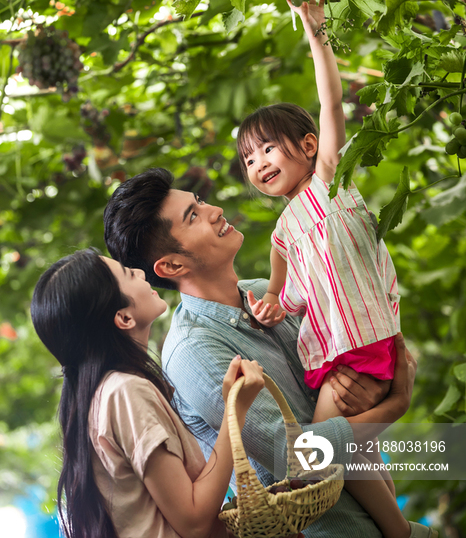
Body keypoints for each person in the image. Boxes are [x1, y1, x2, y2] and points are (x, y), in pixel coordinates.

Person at [103, 167, 419, 538]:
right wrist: (394, 407)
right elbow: (297, 458)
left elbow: (347, 363)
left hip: (379, 513)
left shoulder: (266, 292)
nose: (215, 210)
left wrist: (372, 393)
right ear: (172, 265)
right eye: (193, 216)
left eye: (199, 202)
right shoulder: (192, 350)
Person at [235, 0, 437, 538]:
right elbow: (277, 297)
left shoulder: (328, 183)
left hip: (362, 344)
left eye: (268, 150)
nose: (259, 164)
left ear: (307, 146)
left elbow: (330, 102)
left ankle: (396, 530)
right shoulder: (282, 231)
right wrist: (268, 305)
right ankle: (402, 528)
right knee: (352, 448)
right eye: (249, 160)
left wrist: (315, 29)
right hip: (331, 355)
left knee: (319, 447)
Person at [30, 248, 266, 538]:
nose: (141, 273)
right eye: (129, 274)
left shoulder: (103, 395)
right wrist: (235, 411)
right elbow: (194, 522)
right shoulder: (125, 392)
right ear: (124, 318)